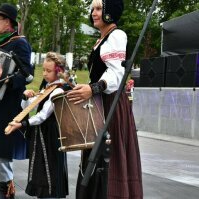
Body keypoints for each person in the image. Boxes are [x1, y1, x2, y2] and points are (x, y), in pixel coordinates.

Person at [66, 0, 143, 198]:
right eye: (93, 8)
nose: (94, 12)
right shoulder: (102, 39)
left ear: (111, 11)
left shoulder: (117, 35)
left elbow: (116, 73)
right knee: (94, 158)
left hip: (111, 106)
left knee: (108, 158)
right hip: (100, 103)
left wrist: (94, 88)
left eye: (99, 8)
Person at [0, 3, 33, 199]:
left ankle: (7, 190)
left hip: (10, 102)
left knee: (3, 144)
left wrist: (6, 79)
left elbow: (27, 73)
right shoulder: (1, 43)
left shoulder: (20, 43)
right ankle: (2, 184)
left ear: (9, 23)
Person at [7, 52, 69, 198]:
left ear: (58, 71)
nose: (45, 73)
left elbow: (42, 115)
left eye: (48, 71)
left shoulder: (59, 89)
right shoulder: (47, 87)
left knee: (51, 168)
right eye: (44, 70)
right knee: (40, 168)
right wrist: (25, 96)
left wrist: (22, 124)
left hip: (51, 135)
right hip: (41, 134)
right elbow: (30, 107)